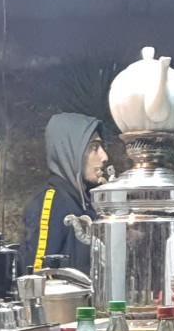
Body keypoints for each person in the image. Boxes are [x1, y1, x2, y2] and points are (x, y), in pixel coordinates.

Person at [22, 113, 109, 273]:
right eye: (94, 147)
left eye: (102, 147)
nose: (104, 157)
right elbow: (37, 276)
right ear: (70, 150)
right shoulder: (52, 203)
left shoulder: (88, 204)